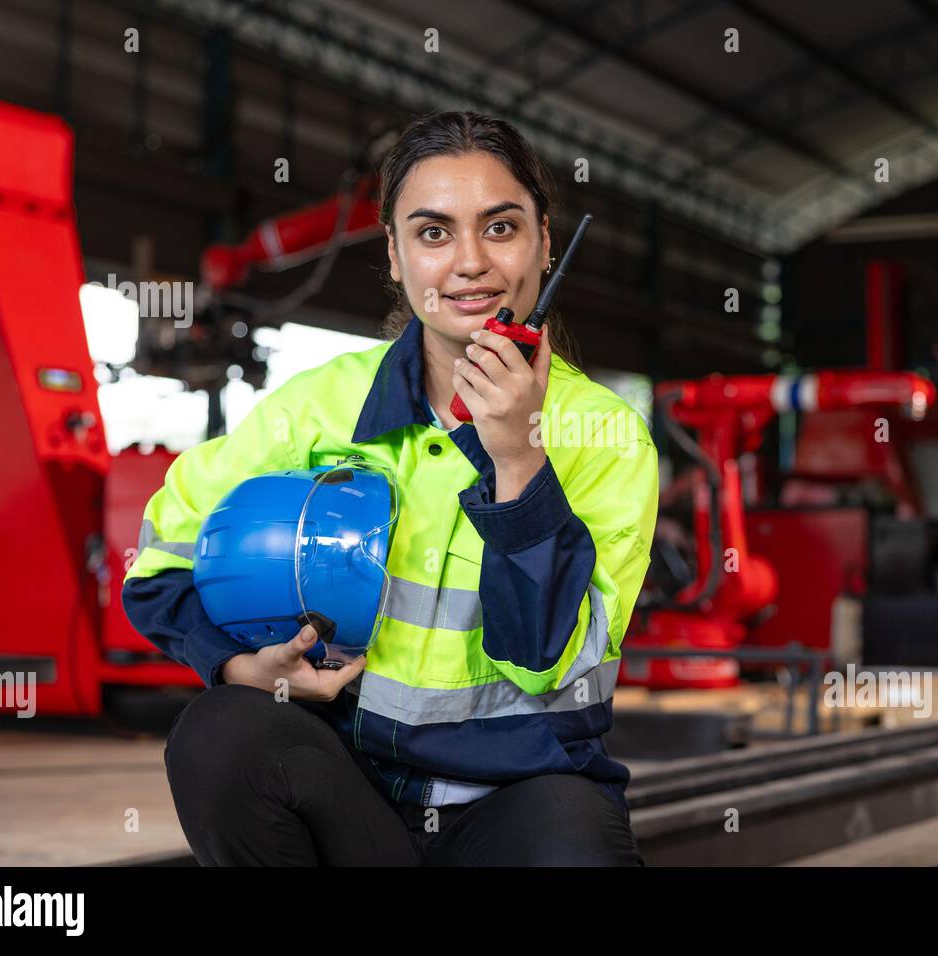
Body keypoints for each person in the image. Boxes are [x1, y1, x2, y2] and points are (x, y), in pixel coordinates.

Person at [122, 109, 660, 866]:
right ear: (397, 255)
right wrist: (237, 666)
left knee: (577, 846)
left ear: (543, 241)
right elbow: (157, 561)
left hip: (521, 797)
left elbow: (544, 661)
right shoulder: (317, 405)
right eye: (433, 233)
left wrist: (518, 462)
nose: (468, 262)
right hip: (354, 794)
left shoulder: (605, 436)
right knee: (222, 736)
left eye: (500, 228)